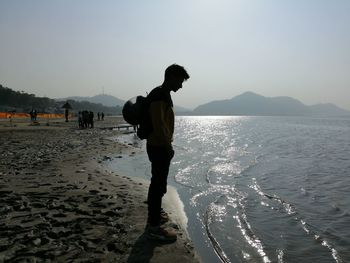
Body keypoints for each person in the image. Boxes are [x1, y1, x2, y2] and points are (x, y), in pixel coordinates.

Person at [146, 64, 190, 241]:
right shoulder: (159, 95)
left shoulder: (163, 94)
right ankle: (154, 225)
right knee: (157, 184)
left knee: (159, 182)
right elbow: (159, 125)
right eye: (180, 81)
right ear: (171, 77)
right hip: (158, 146)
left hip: (159, 145)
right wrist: (168, 147)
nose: (181, 85)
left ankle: (156, 213)